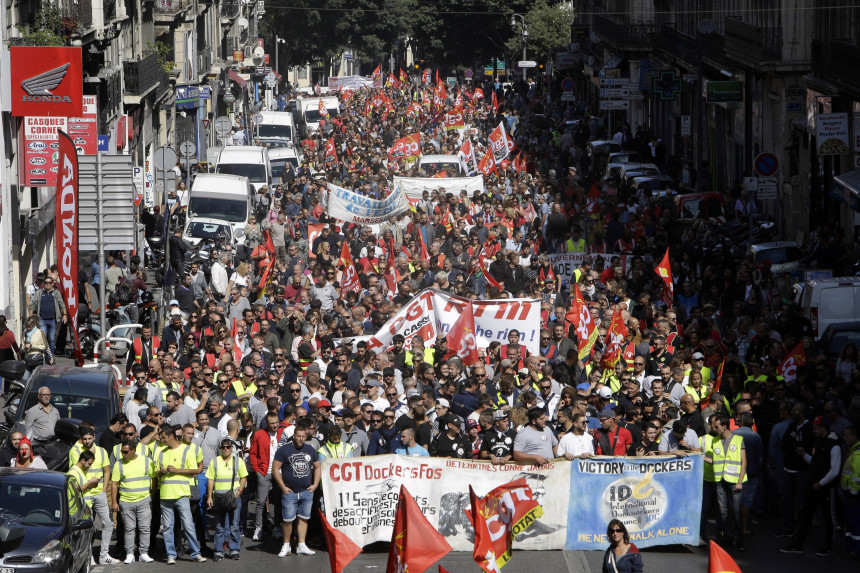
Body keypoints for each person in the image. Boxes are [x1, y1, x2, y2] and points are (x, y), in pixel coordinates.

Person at [780, 416, 842, 555]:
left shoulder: (834, 445)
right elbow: (814, 462)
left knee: (828, 517)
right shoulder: (819, 442)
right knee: (806, 515)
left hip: (825, 488)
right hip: (813, 485)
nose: (813, 430)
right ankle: (798, 544)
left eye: (815, 427)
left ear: (823, 428)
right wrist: (804, 455)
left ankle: (828, 546)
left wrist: (821, 483)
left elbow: (835, 470)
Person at [156, 425, 206, 564]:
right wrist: (162, 471)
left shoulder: (187, 450)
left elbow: (194, 470)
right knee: (168, 527)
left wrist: (176, 470)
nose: (162, 440)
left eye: (164, 438)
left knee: (188, 525)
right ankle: (171, 554)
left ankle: (195, 553)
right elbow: (155, 473)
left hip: (182, 494)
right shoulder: (162, 452)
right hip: (166, 495)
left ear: (171, 436)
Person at [69, 427, 116, 564]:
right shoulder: (75, 451)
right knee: (86, 526)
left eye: (90, 438)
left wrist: (103, 489)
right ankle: (88, 556)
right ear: (81, 439)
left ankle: (103, 555)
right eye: (85, 439)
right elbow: (75, 471)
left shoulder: (101, 451)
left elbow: (107, 470)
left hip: (99, 493)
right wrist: (89, 484)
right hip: (85, 494)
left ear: (94, 438)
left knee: (108, 523)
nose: (87, 441)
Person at [272, 425, 320, 558]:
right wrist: (282, 487)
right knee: (287, 520)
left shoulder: (310, 449)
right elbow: (275, 469)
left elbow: (317, 467)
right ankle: (286, 545)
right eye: (298, 436)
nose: (300, 439)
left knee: (304, 518)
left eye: (303, 436)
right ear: (293, 436)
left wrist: (315, 484)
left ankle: (301, 545)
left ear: (306, 436)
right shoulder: (284, 450)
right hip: (290, 492)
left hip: (306, 491)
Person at [111, 440, 157, 564]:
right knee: (129, 529)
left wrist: (151, 496)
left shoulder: (146, 461)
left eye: (126, 452)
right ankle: (130, 553)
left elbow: (154, 478)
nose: (123, 454)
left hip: (144, 500)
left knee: (145, 528)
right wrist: (114, 501)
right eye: (122, 452)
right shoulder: (118, 464)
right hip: (126, 501)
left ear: (133, 450)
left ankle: (143, 553)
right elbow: (114, 483)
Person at [206, 438, 248, 561]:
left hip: (233, 497)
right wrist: (209, 496)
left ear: (232, 448)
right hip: (218, 497)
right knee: (219, 526)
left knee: (234, 525)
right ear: (220, 448)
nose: (225, 449)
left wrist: (239, 491)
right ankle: (219, 551)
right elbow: (211, 479)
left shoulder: (238, 461)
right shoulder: (215, 461)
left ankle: (234, 550)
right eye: (223, 447)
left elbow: (244, 477)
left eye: (228, 447)